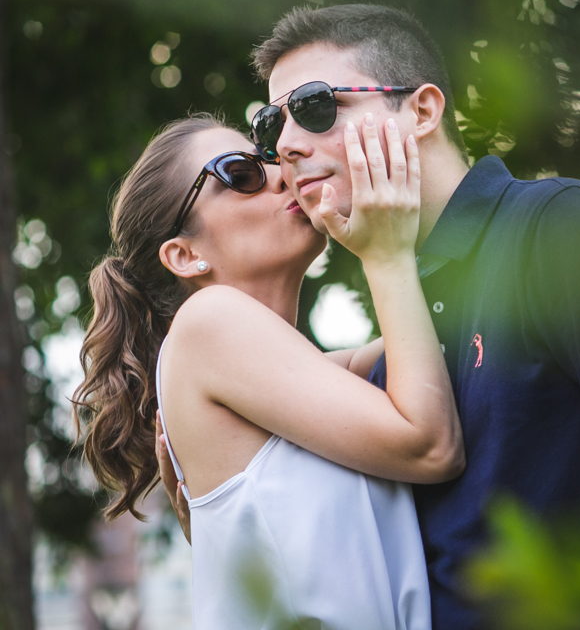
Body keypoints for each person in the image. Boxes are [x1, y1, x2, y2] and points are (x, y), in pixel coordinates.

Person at [162, 4, 580, 630]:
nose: (287, 146)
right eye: (274, 125)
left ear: (422, 111)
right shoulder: (402, 334)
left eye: (318, 107)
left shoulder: (557, 226)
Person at [75, 111, 463, 630]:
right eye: (240, 174)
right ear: (185, 255)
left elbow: (437, 341)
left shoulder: (293, 376)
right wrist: (386, 255)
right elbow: (431, 443)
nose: (282, 172)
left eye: (270, 158)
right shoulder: (207, 322)